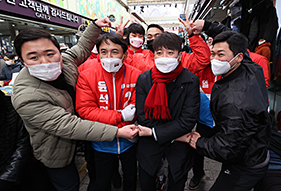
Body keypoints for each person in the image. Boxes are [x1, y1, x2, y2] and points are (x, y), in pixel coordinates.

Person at [11, 17, 138, 191]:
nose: (45, 62)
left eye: (50, 53)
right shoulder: (26, 95)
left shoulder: (65, 63)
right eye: (34, 57)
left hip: (89, 137)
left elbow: (82, 47)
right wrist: (118, 127)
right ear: (22, 61)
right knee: (69, 185)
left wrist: (94, 27)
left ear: (59, 51)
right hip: (57, 150)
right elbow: (68, 125)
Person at [189, 31, 271, 191]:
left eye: (221, 55)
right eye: (212, 54)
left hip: (246, 164)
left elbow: (227, 149)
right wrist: (206, 26)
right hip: (256, 151)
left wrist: (198, 142)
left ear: (238, 57)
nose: (215, 60)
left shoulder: (235, 100)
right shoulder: (251, 68)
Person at [76, 33, 141, 191]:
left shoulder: (136, 74)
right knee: (102, 179)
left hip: (129, 139)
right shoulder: (86, 76)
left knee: (131, 176)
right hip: (101, 141)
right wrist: (120, 116)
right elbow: (85, 110)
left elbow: (136, 105)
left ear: (124, 54)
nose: (109, 56)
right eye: (103, 52)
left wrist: (127, 121)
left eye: (115, 51)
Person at [136, 32, 200, 191]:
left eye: (170, 52)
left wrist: (153, 132)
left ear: (179, 55)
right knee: (146, 182)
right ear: (154, 55)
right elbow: (143, 116)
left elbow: (188, 119)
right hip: (156, 143)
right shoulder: (144, 79)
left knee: (177, 181)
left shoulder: (190, 79)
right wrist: (175, 136)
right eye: (159, 52)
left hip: (170, 142)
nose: (164, 57)